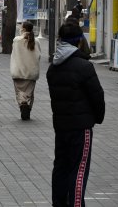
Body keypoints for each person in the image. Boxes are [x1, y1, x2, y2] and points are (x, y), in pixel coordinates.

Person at [47, 22, 105, 207]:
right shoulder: (84, 67)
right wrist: (97, 118)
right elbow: (97, 96)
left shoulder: (53, 67)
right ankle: (76, 204)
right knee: (79, 169)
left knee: (61, 166)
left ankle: (59, 203)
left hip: (61, 124)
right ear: (79, 41)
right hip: (81, 126)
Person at [10, 21, 41, 120]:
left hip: (18, 70)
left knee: (19, 91)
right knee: (29, 92)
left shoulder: (17, 40)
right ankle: (27, 107)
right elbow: (39, 55)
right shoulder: (36, 41)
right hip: (31, 71)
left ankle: (22, 104)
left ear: (23, 29)